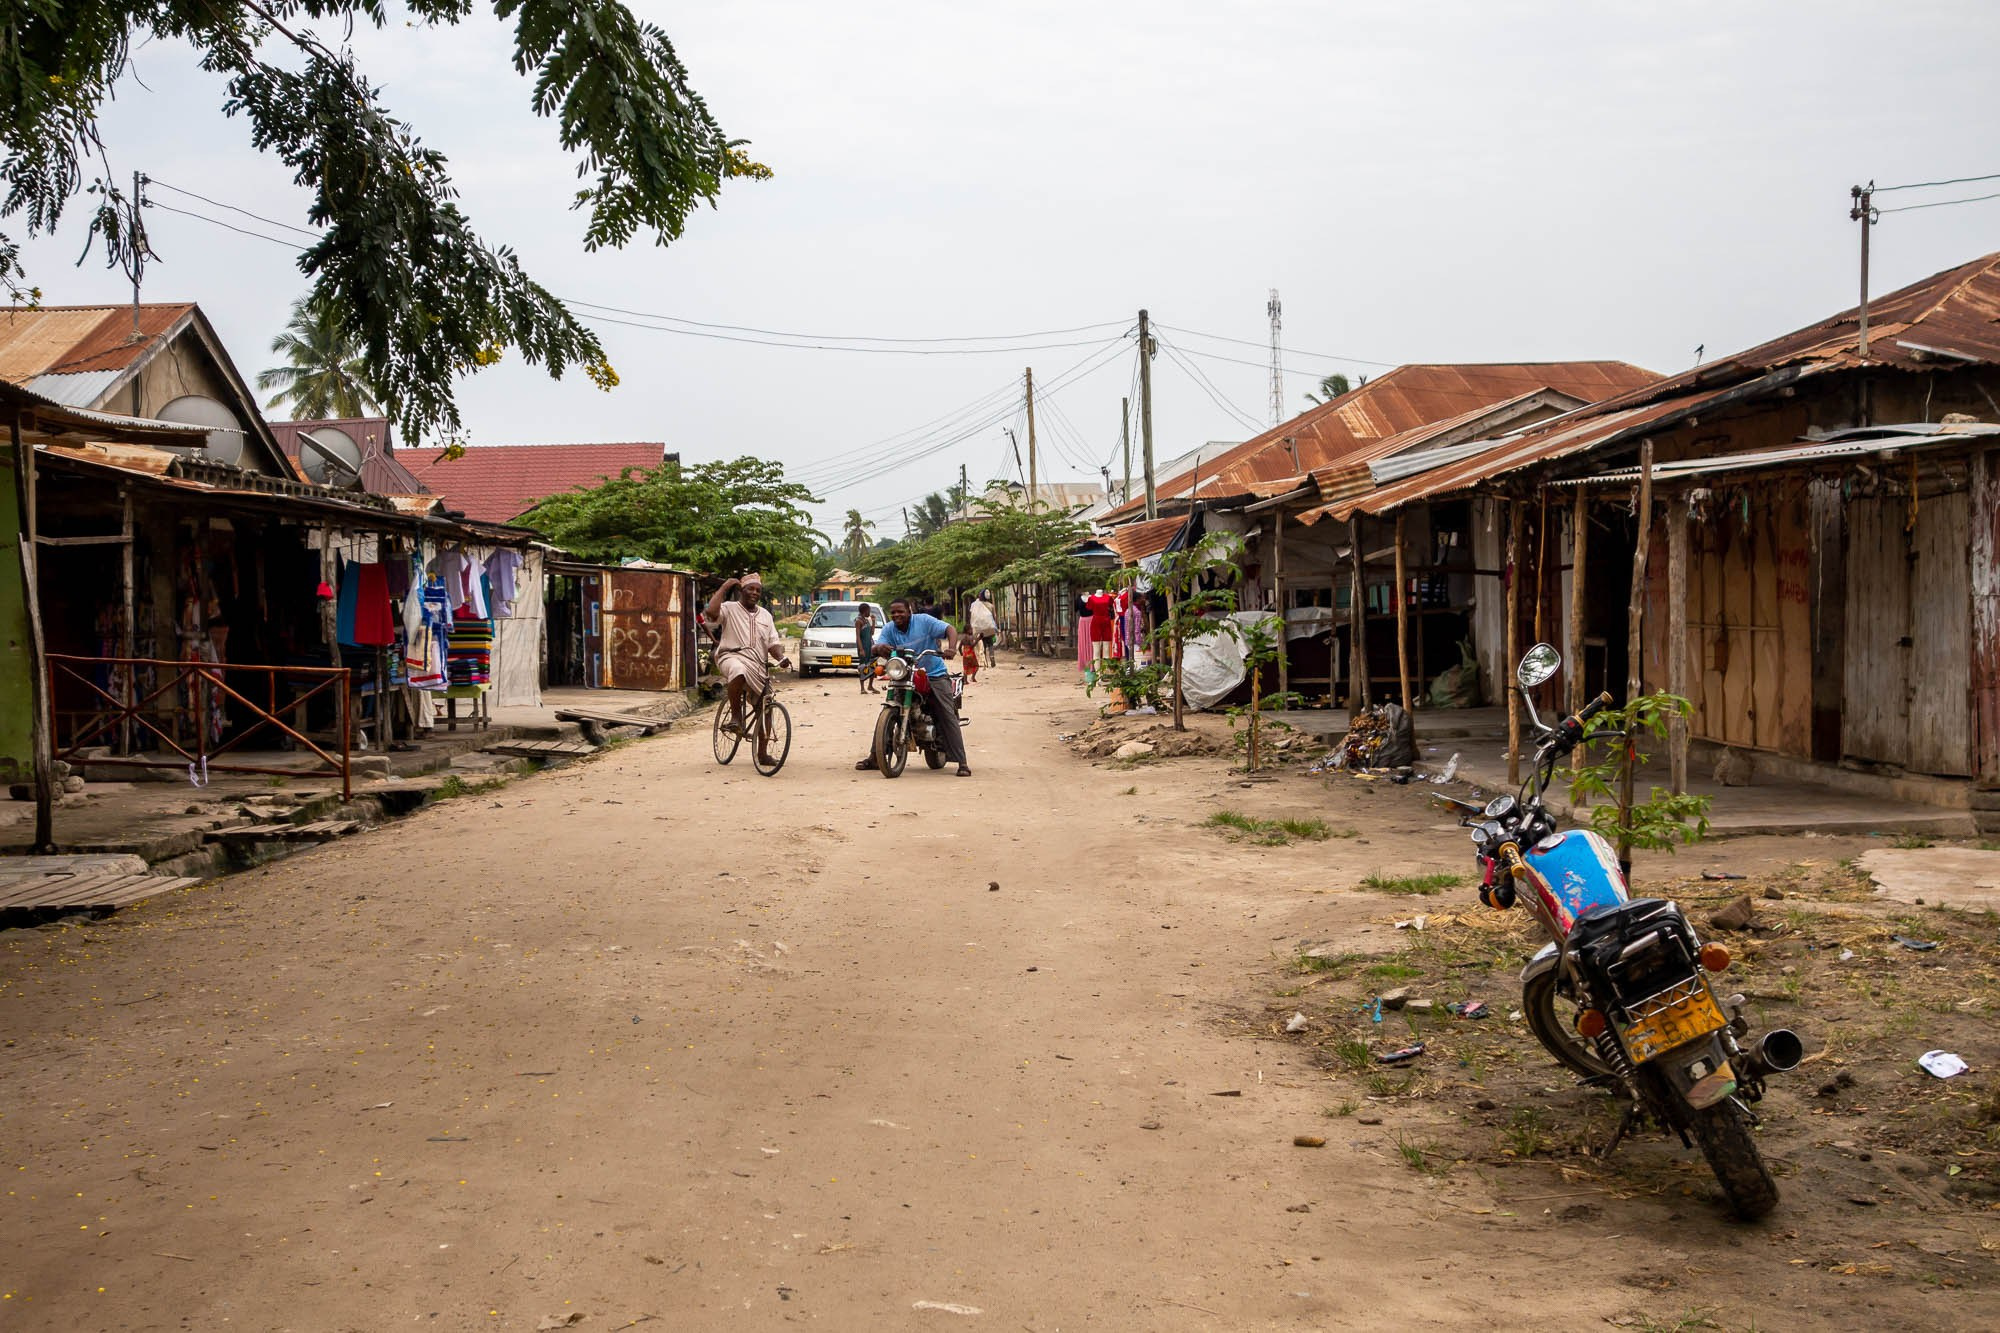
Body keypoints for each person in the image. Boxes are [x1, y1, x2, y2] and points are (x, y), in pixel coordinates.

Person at [856, 597, 970, 777]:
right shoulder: (889, 629)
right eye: (893, 612)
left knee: (946, 712)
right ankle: (875, 757)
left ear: (909, 610)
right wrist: (880, 648)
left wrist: (952, 648)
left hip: (933, 673)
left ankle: (962, 762)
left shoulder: (924, 621)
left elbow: (950, 629)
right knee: (887, 707)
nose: (896, 615)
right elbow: (876, 647)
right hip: (905, 673)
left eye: (900, 611)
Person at [703, 573, 790, 765]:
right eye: (750, 588)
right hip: (730, 656)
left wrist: (782, 658)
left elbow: (773, 643)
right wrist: (725, 586)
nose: (754, 593)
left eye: (758, 590)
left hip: (757, 665)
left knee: (766, 708)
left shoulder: (766, 615)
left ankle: (763, 754)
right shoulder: (729, 608)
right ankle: (736, 717)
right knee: (738, 669)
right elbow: (711, 612)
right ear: (741, 590)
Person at [968, 589, 998, 667]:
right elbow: (994, 617)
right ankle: (992, 657)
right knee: (990, 644)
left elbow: (972, 616)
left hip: (979, 630)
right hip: (989, 629)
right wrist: (994, 626)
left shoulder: (975, 605)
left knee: (982, 645)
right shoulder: (991, 605)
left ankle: (985, 661)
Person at [854, 602, 878, 693]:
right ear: (865, 611)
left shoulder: (867, 620)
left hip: (870, 645)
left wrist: (874, 621)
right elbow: (858, 636)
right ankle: (862, 688)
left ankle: (870, 686)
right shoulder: (858, 621)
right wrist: (861, 649)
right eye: (869, 610)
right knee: (863, 666)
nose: (870, 612)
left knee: (872, 665)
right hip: (863, 646)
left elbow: (871, 633)